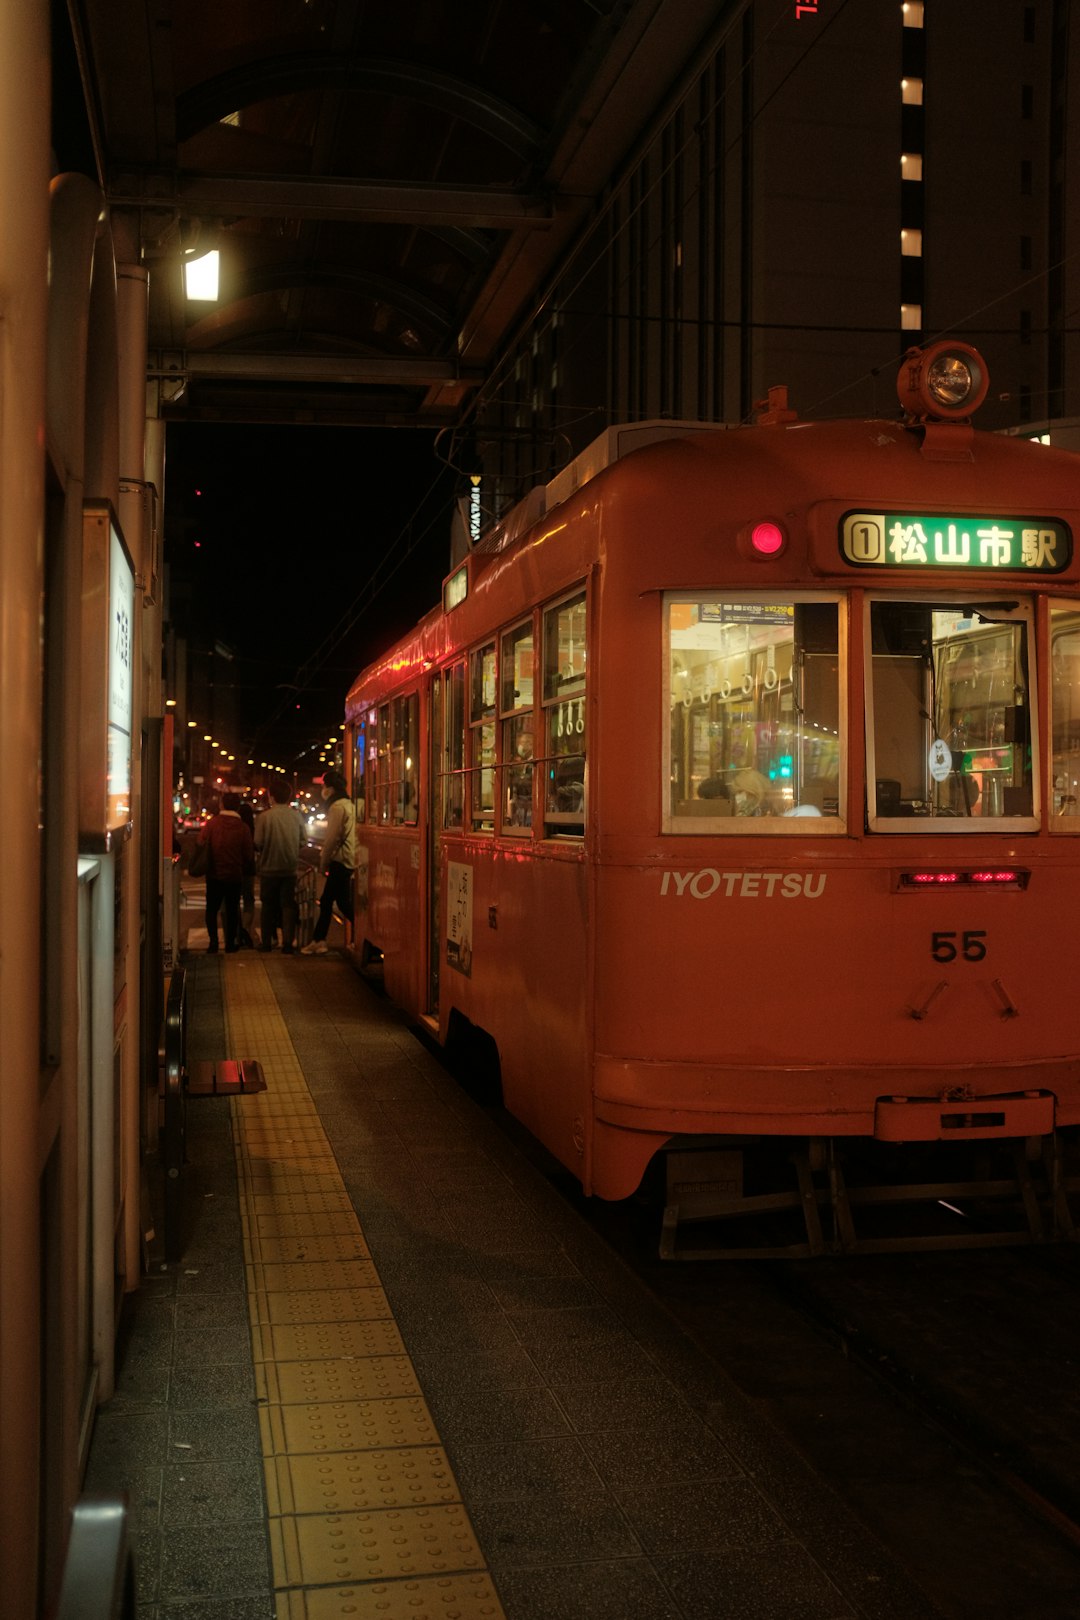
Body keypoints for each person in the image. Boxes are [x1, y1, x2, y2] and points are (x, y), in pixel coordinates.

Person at [300, 768, 357, 955]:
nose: (323, 790)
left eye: (324, 786)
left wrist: (323, 862)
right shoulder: (349, 804)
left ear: (330, 788)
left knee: (327, 901)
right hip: (348, 859)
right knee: (340, 902)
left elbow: (332, 838)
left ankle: (319, 940)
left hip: (340, 861)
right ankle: (321, 939)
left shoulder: (337, 807)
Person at [198, 791, 255, 953]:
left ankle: (213, 943)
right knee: (232, 909)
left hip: (214, 874)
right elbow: (248, 855)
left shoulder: (212, 824)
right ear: (237, 806)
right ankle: (230, 943)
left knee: (212, 909)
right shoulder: (243, 828)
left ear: (222, 805)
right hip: (234, 876)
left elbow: (200, 843)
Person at [255, 779, 306, 953]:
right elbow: (303, 840)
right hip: (289, 868)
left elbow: (258, 842)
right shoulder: (296, 816)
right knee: (288, 905)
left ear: (272, 797)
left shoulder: (264, 817)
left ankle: (267, 943)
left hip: (269, 869)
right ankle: (287, 943)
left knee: (268, 906)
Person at [236, 797, 257, 946]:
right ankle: (246, 928)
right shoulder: (253, 829)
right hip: (249, 868)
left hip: (236, 868)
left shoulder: (237, 828)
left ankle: (238, 931)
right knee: (249, 900)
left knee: (234, 900)